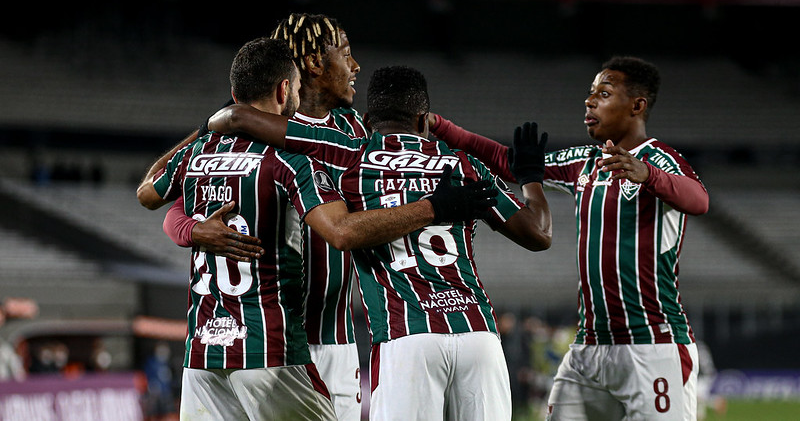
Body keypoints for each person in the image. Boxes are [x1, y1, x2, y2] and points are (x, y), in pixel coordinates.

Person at [136, 39, 496, 420]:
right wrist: (433, 207)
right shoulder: (289, 160)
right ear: (284, 90)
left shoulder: (196, 154)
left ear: (232, 94)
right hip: (268, 350)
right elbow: (340, 231)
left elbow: (148, 192)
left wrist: (198, 147)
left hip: (202, 352)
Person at [207, 64, 553, 420]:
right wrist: (531, 178)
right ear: (424, 121)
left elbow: (233, 117)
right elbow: (538, 234)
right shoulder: (463, 165)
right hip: (479, 334)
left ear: (369, 120)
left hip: (406, 336)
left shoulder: (349, 154)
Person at [425, 56, 710, 420]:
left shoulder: (660, 159)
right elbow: (514, 164)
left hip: (653, 344)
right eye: (590, 93)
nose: (589, 101)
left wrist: (649, 175)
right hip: (588, 347)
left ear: (637, 105)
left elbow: (699, 200)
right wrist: (441, 126)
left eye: (603, 94)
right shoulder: (585, 162)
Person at [161, 13, 372, 420]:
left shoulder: (354, 129)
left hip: (332, 337)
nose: (355, 66)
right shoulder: (250, 129)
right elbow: (173, 208)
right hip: (271, 338)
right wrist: (193, 230)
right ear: (308, 67)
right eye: (346, 54)